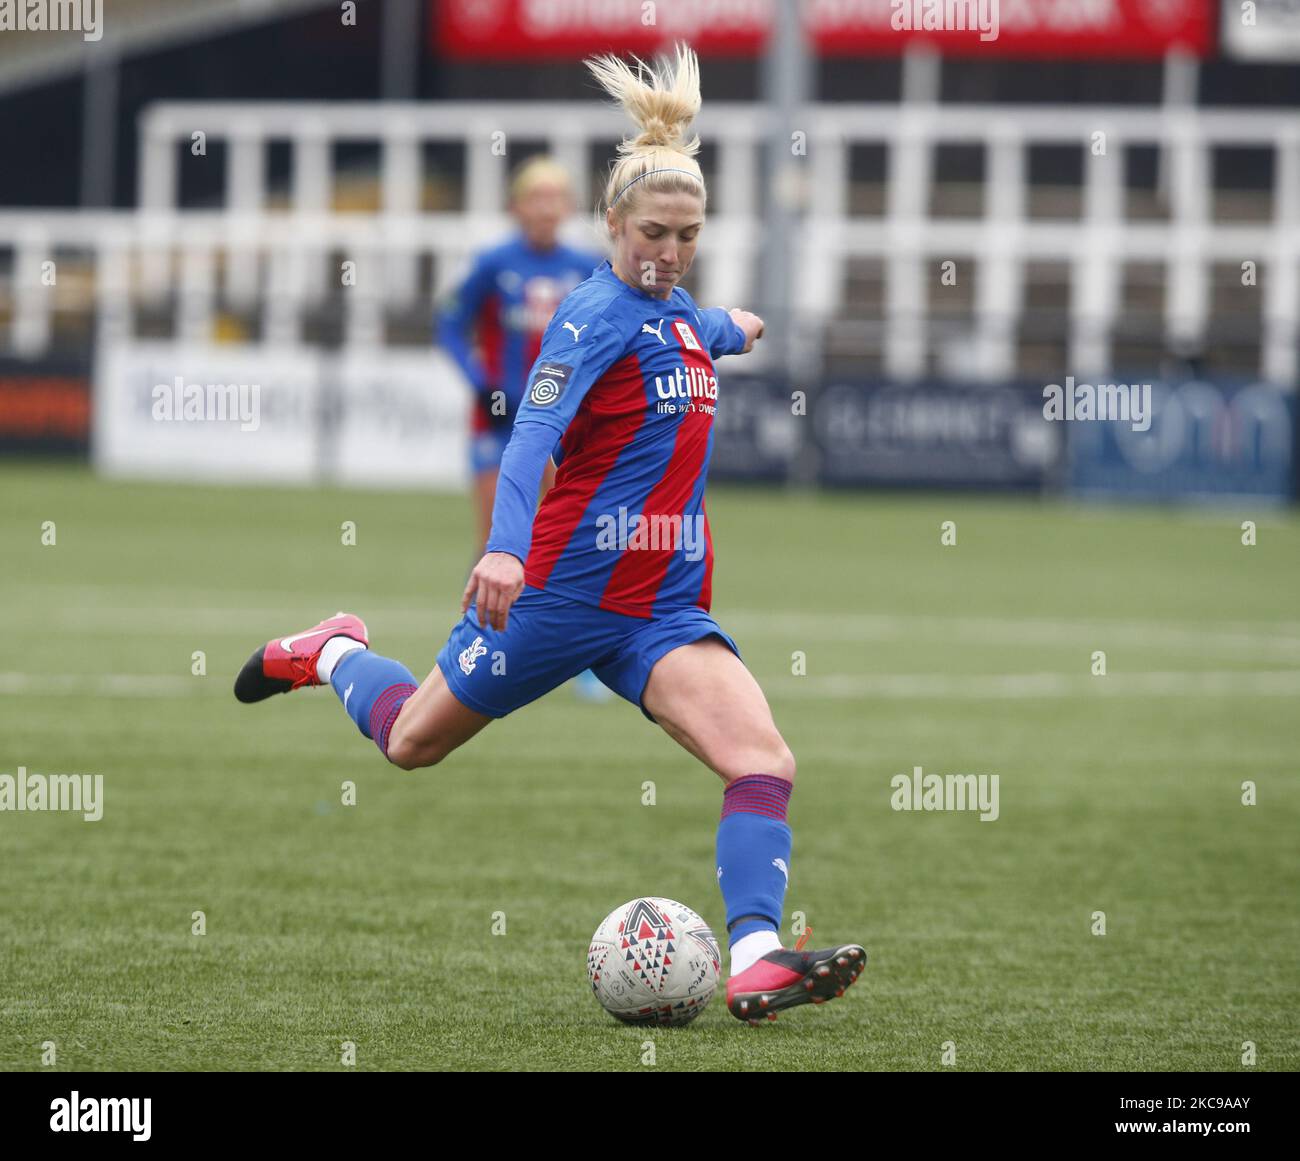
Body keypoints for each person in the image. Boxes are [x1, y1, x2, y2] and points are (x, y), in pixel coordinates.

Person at [234, 44, 866, 1025]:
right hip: (561, 596)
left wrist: (736, 328)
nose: (668, 250)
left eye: (688, 235)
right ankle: (335, 651)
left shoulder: (679, 314)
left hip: (660, 606)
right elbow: (532, 433)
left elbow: (697, 328)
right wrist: (504, 547)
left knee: (763, 761)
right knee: (409, 744)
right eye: (652, 232)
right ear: (611, 226)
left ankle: (755, 956)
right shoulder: (590, 315)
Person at [438, 156, 612, 701]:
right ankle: (470, 646)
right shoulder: (494, 263)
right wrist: (479, 381)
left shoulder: (586, 267)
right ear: (516, 206)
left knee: (563, 531)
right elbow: (447, 322)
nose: (545, 208)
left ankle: (580, 654)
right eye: (535, 197)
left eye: (556, 197)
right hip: (499, 419)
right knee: (497, 532)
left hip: (562, 424)